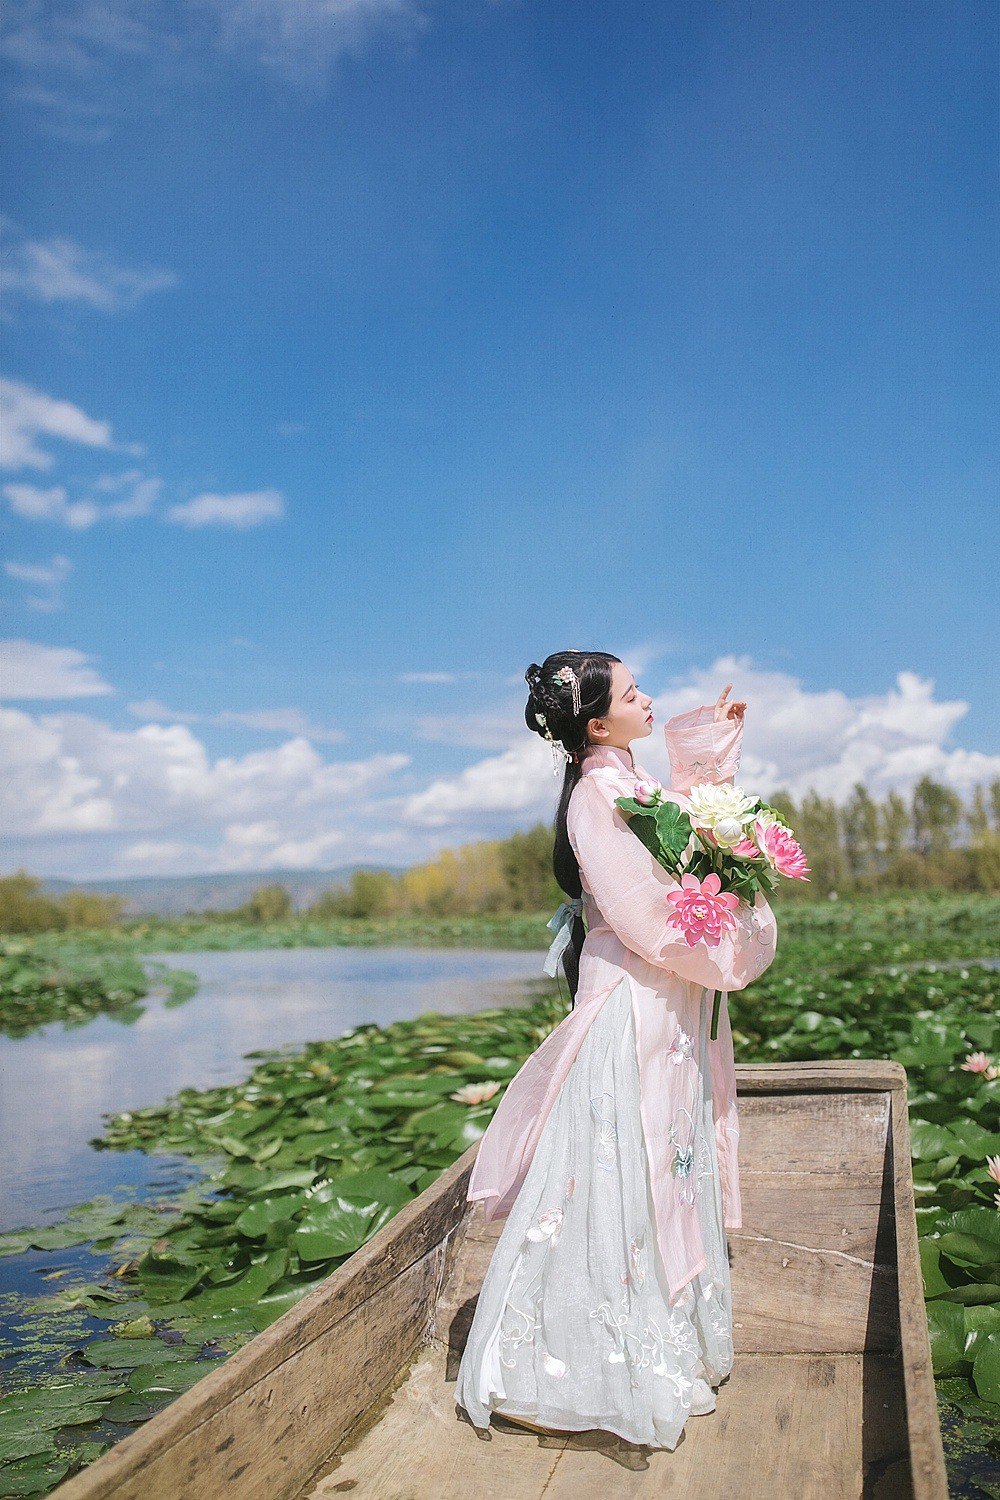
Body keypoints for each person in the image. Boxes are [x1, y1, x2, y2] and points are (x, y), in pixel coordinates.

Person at [453, 650, 778, 1450]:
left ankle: (665, 1341)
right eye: (634, 694)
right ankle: (578, 1362)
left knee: (668, 1164)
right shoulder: (596, 795)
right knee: (619, 1170)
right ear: (597, 724)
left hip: (667, 1000)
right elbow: (647, 910)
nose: (649, 698)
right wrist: (720, 930)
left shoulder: (627, 783)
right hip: (634, 1000)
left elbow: (686, 832)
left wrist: (715, 746)